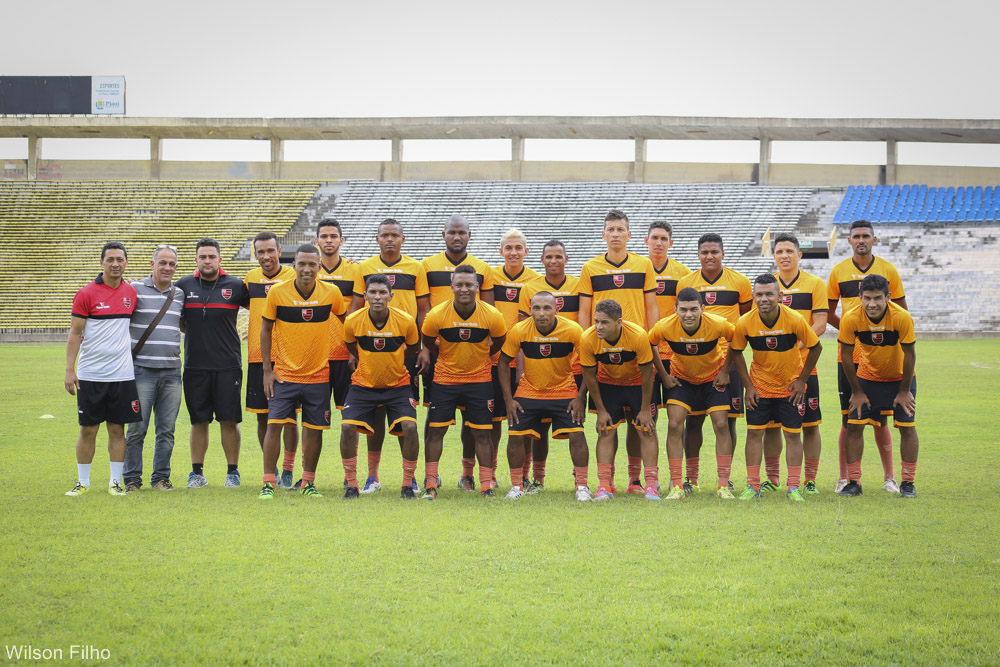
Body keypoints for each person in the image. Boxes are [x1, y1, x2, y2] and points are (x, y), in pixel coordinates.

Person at [578, 210, 659, 494]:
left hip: (637, 351)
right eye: (610, 229)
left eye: (620, 229)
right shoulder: (590, 268)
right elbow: (586, 312)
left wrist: (652, 339)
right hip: (605, 353)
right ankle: (605, 485)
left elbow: (651, 307)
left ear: (629, 234)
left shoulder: (643, 264)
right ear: (604, 234)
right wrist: (589, 340)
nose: (615, 234)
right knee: (607, 425)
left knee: (642, 424)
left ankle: (637, 481)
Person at [257, 245, 346, 499]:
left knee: (314, 429)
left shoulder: (332, 293)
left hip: (318, 375)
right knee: (274, 426)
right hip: (284, 375)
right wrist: (267, 370)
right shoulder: (277, 292)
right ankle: (268, 483)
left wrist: (352, 352)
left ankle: (308, 482)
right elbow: (265, 330)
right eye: (302, 264)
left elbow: (347, 324)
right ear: (293, 265)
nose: (307, 269)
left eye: (312, 264)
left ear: (319, 265)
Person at [827, 220, 908, 493]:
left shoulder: (888, 270)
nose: (861, 240)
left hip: (881, 355)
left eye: (866, 236)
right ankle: (846, 478)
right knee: (849, 418)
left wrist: (871, 334)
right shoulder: (838, 271)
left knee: (882, 417)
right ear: (848, 241)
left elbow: (902, 311)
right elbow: (827, 312)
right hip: (848, 356)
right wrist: (854, 333)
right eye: (856, 236)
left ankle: (890, 478)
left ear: (875, 239)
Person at [350, 218, 430, 494]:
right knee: (375, 416)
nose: (390, 239)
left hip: (405, 350)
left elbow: (424, 309)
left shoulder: (415, 266)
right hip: (371, 349)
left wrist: (422, 348)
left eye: (395, 235)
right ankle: (373, 477)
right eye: (384, 235)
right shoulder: (365, 267)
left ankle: (410, 477)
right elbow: (356, 308)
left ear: (403, 239)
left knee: (403, 418)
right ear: (377, 239)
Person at [420, 214, 496, 491]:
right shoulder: (427, 265)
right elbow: (423, 311)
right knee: (435, 421)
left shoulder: (483, 268)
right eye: (451, 232)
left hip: (477, 366)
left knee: (477, 425)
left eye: (461, 232)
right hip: (444, 358)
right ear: (444, 235)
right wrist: (430, 349)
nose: (456, 237)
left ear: (469, 235)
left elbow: (492, 322)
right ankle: (431, 479)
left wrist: (482, 349)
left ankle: (472, 476)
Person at [730, 274, 822, 501]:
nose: (764, 299)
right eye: (759, 294)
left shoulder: (795, 319)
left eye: (769, 294)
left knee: (792, 436)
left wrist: (801, 380)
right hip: (759, 388)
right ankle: (753, 486)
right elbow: (736, 352)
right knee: (754, 435)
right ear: (752, 297)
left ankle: (793, 487)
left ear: (780, 296)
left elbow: (816, 347)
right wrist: (748, 386)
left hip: (789, 388)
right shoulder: (745, 322)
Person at [418, 265, 507, 499]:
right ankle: (430, 484)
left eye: (469, 284)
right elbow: (428, 341)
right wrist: (448, 354)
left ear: (478, 287)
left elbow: (498, 342)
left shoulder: (492, 315)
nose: (464, 289)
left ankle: (486, 485)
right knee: (436, 432)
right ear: (451, 286)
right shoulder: (437, 315)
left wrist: (479, 356)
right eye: (459, 285)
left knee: (482, 434)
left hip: (479, 380)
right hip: (445, 380)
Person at [676, 233, 752, 492]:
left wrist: (730, 364)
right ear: (698, 255)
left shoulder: (739, 282)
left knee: (726, 420)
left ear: (722, 253)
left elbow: (745, 323)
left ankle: (725, 478)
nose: (709, 256)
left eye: (714, 252)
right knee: (693, 420)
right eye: (704, 252)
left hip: (728, 362)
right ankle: (691, 478)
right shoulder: (686, 283)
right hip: (694, 360)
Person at [498, 291, 590, 501]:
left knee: (577, 433)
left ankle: (582, 486)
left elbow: (589, 364)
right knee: (515, 435)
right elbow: (503, 362)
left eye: (547, 308)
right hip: (529, 390)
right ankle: (517, 486)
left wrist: (580, 396)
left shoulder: (573, 330)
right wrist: (508, 400)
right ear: (529, 310)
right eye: (536, 308)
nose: (541, 313)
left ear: (557, 309)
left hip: (564, 389)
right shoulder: (520, 330)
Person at [64, 242, 140, 496]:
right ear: (102, 263)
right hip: (90, 374)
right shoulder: (86, 293)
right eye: (110, 259)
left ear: (126, 262)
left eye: (120, 259)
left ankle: (115, 482)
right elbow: (75, 334)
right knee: (88, 429)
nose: (115, 263)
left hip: (122, 375)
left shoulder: (132, 291)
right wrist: (69, 370)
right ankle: (83, 482)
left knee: (118, 430)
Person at [174, 238, 250, 489]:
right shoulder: (183, 285)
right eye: (202, 257)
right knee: (199, 421)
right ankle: (197, 473)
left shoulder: (236, 285)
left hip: (228, 365)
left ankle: (233, 473)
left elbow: (263, 307)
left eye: (212, 257)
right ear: (196, 259)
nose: (207, 261)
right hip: (195, 365)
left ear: (219, 259)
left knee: (229, 420)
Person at [341, 274, 424, 499]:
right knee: (347, 427)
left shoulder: (406, 320)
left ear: (391, 296)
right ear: (365, 295)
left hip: (398, 385)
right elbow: (352, 347)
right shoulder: (353, 321)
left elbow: (413, 347)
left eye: (382, 292)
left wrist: (389, 362)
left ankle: (408, 483)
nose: (377, 297)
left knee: (409, 427)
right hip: (363, 384)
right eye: (373, 292)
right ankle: (351, 484)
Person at [648, 287, 735, 500]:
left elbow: (736, 338)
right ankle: (677, 485)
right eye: (684, 309)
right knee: (674, 424)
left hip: (712, 380)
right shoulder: (664, 326)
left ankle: (723, 484)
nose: (689, 314)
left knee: (722, 424)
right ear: (675, 309)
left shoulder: (718, 324)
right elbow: (650, 344)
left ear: (702, 308)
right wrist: (664, 374)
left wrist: (725, 371)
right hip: (682, 380)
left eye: (694, 309)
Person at [837, 274, 919, 498]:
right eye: (867, 298)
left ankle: (908, 483)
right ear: (860, 297)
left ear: (888, 297)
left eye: (877, 298)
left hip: (900, 378)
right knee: (854, 425)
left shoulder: (901, 317)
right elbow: (845, 355)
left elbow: (910, 354)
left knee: (906, 426)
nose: (872, 304)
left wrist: (904, 391)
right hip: (867, 377)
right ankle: (854, 482)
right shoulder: (851, 317)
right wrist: (857, 391)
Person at [761, 233, 828, 494]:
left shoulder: (814, 284)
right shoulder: (766, 285)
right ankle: (773, 479)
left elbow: (820, 324)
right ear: (774, 256)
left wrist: (793, 347)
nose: (784, 256)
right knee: (771, 427)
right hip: (770, 370)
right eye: (779, 252)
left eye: (789, 251)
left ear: (799, 255)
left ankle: (809, 480)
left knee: (809, 425)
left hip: (804, 368)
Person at [579, 299, 661, 501]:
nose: (599, 326)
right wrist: (601, 410)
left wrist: (644, 409)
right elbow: (589, 376)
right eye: (597, 321)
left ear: (619, 323)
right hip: (608, 385)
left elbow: (647, 374)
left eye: (604, 322)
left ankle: (650, 484)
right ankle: (605, 486)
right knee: (605, 430)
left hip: (637, 384)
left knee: (646, 429)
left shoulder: (638, 335)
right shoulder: (588, 338)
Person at [517, 239, 581, 491]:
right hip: (538, 369)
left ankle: (580, 480)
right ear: (542, 260)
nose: (553, 261)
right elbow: (523, 332)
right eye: (549, 257)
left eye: (558, 256)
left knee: (576, 427)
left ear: (567, 258)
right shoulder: (530, 288)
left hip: (573, 369)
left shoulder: (579, 285)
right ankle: (536, 479)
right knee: (537, 428)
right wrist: (521, 371)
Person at [123, 244, 185, 492]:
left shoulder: (179, 294)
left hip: (172, 373)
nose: (167, 268)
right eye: (162, 262)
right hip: (141, 371)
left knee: (166, 432)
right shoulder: (133, 289)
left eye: (171, 264)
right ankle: (132, 480)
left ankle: (160, 478)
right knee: (136, 429)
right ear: (152, 264)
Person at [243, 231, 299, 488]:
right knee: (262, 416)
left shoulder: (293, 276)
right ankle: (272, 468)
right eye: (261, 252)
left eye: (270, 251)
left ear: (280, 251)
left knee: (289, 418)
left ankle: (288, 468)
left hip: (288, 358)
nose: (266, 256)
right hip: (258, 358)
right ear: (255, 254)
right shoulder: (250, 279)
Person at [490, 229, 540, 488]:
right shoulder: (490, 277)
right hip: (495, 360)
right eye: (508, 248)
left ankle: (524, 474)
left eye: (518, 248)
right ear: (501, 251)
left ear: (526, 251)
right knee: (494, 419)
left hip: (526, 361)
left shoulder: (536, 280)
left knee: (525, 420)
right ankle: (493, 473)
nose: (513, 252)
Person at [645, 221, 692, 416]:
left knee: (678, 417)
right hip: (647, 350)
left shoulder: (683, 273)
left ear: (671, 243)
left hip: (675, 353)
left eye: (663, 239)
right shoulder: (638, 270)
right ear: (646, 240)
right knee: (647, 416)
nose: (659, 243)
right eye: (654, 238)